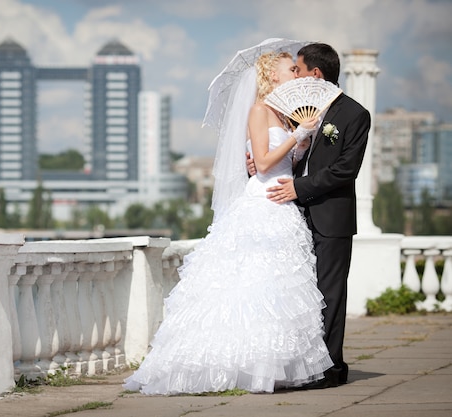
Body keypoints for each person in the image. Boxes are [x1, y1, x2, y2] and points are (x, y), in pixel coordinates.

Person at [122, 42, 333, 395]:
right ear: (271, 75)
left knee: (275, 290)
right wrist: (298, 135)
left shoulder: (285, 114)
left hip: (282, 203)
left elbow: (283, 164)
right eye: (290, 70)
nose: (296, 74)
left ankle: (270, 366)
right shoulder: (258, 110)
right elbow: (263, 164)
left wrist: (299, 144)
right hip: (262, 204)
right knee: (248, 284)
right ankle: (233, 364)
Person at [250, 43, 371, 389]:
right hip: (294, 218)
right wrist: (263, 166)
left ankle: (331, 370)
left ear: (315, 74)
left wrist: (298, 188)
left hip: (331, 217)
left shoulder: (354, 114)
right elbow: (285, 157)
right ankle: (304, 365)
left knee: (330, 294)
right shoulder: (296, 112)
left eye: (299, 71)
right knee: (302, 296)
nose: (295, 77)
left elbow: (345, 170)